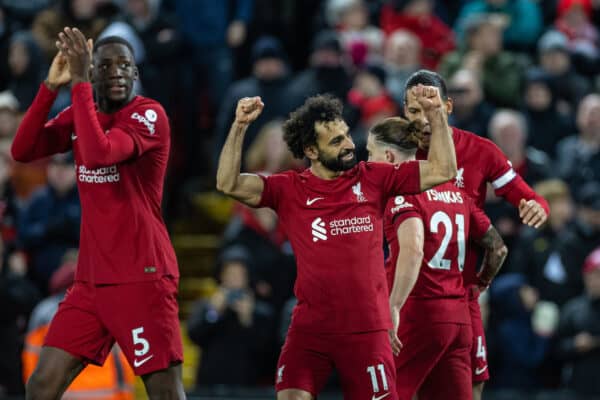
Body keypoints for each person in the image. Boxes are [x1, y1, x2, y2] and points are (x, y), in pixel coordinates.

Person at [216, 86, 457, 400]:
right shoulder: (288, 188)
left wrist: (437, 114)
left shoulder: (373, 178)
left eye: (345, 135)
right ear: (311, 151)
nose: (348, 145)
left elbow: (443, 170)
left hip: (367, 328)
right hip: (310, 328)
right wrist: (239, 127)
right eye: (336, 141)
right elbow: (227, 182)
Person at [11, 28, 183, 399]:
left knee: (165, 391)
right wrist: (49, 87)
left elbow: (98, 154)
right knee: (40, 386)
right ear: (93, 73)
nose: (117, 72)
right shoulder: (80, 113)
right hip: (90, 282)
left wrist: (78, 84)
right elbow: (22, 150)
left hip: (142, 276)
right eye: (104, 66)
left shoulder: (149, 115)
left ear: (136, 74)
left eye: (125, 65)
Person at [401, 69, 549, 400]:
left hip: (460, 293)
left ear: (449, 107)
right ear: (403, 112)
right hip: (408, 294)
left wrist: (538, 207)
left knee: (471, 384)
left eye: (432, 107)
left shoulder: (480, 150)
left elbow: (527, 196)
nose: (424, 119)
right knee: (405, 387)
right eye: (414, 110)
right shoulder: (394, 155)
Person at [366, 116, 507, 400]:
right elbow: (498, 248)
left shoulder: (402, 192)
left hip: (418, 312)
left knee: (382, 393)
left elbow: (413, 247)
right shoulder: (457, 192)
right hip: (458, 317)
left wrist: (394, 305)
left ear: (390, 156)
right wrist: (482, 282)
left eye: (371, 154)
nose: (368, 162)